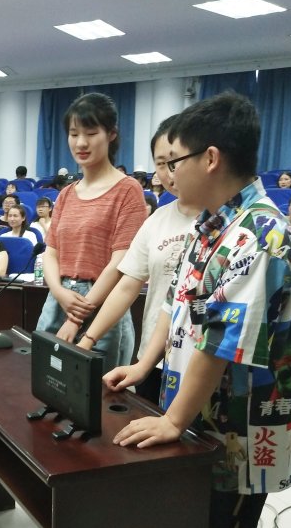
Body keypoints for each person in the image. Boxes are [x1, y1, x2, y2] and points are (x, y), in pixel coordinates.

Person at [106, 92, 291, 528]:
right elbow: (177, 308)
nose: (168, 174)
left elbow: (221, 343)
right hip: (199, 409)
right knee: (204, 524)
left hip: (240, 425)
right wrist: (144, 367)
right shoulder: (213, 224)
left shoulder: (260, 235)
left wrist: (173, 420)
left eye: (175, 161)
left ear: (210, 158)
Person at [77, 115, 201, 403]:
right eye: (161, 164)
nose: (170, 174)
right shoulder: (157, 219)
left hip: (199, 360)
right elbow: (127, 285)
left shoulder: (223, 222)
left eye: (175, 162)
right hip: (152, 359)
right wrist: (88, 339)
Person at [36, 92, 146, 372]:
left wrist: (76, 318)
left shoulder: (127, 190)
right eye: (74, 134)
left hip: (102, 304)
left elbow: (120, 262)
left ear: (111, 134)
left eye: (91, 133)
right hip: (59, 300)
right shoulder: (66, 194)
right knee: (48, 382)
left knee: (97, 392)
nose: (81, 142)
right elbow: (51, 252)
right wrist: (59, 291)